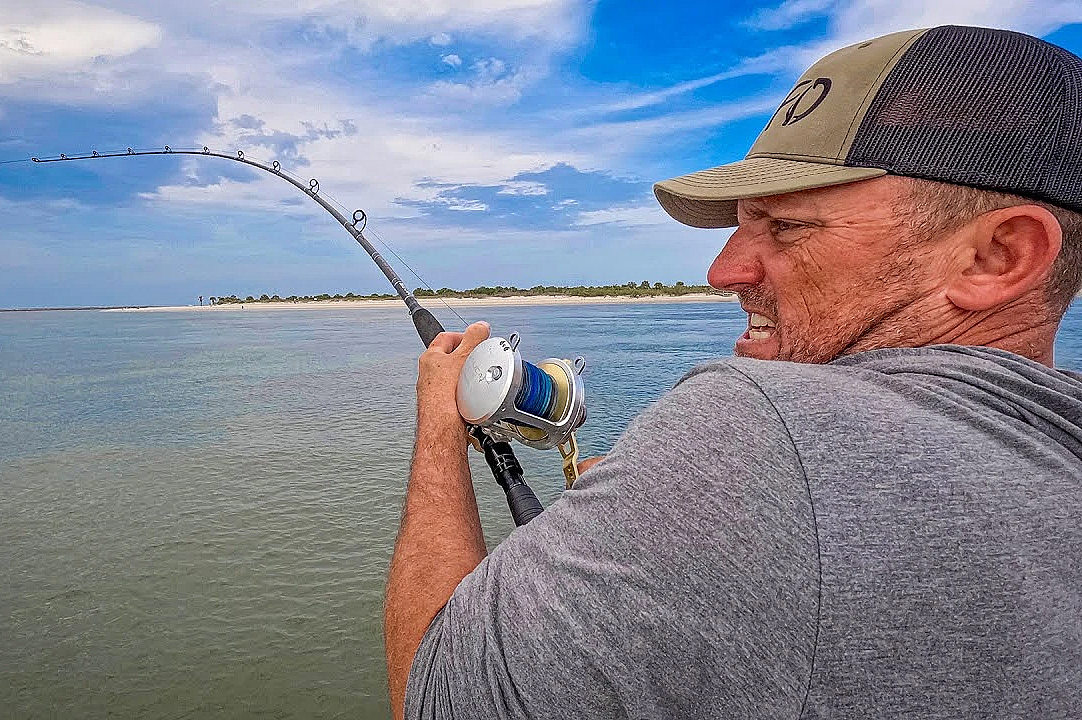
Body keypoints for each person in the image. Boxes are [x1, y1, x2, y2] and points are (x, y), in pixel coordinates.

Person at [384, 25, 1082, 720]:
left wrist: (440, 428)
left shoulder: (755, 429)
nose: (723, 271)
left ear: (1000, 256)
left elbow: (436, 701)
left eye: (785, 228)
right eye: (741, 225)